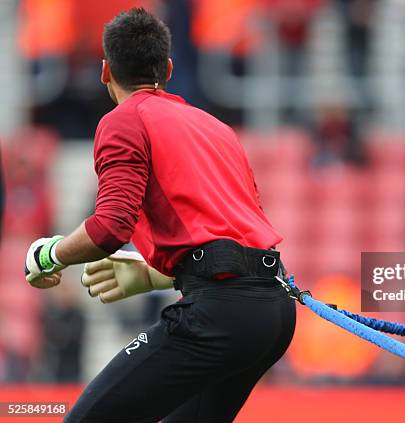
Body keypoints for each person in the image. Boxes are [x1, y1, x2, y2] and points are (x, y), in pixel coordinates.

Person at [23, 8, 296, 422]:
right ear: (167, 68)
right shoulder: (216, 127)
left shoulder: (123, 121)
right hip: (273, 311)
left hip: (219, 312)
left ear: (105, 72)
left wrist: (50, 254)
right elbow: (237, 239)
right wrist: (155, 275)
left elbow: (110, 227)